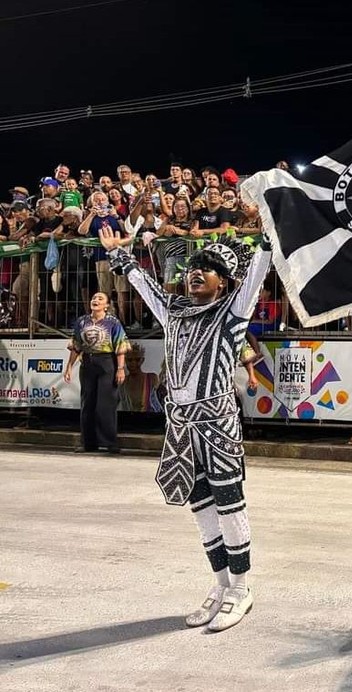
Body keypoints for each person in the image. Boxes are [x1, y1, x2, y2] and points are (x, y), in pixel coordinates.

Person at [97, 219, 272, 633]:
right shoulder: (173, 311)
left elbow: (259, 270)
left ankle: (241, 589)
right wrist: (119, 255)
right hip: (180, 428)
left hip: (217, 426)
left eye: (207, 268)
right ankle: (219, 584)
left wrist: (269, 236)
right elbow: (143, 284)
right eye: (193, 266)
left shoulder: (232, 313)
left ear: (224, 283)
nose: (196, 272)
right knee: (201, 508)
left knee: (230, 504)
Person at [64, 292, 129, 454]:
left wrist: (120, 369)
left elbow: (120, 346)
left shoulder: (113, 322)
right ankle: (88, 443)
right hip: (87, 363)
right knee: (87, 403)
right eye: (94, 298)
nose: (96, 300)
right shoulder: (82, 321)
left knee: (106, 404)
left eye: (100, 299)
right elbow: (76, 346)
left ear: (106, 305)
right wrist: (69, 367)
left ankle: (109, 442)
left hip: (106, 362)